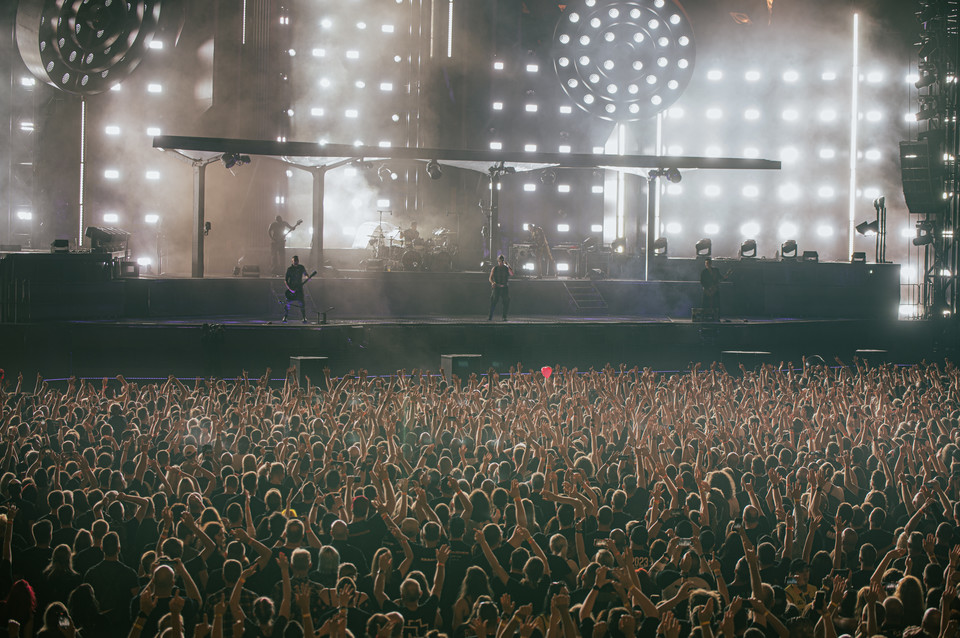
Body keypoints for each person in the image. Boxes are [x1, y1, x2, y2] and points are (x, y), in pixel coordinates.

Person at [283, 255, 308, 323]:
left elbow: (305, 274)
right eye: (294, 261)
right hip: (292, 289)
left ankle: (304, 317)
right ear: (292, 261)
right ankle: (285, 317)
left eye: (296, 261)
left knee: (302, 303)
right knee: (288, 304)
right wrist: (290, 289)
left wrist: (307, 277)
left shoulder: (301, 268)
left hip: (299, 289)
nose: (296, 262)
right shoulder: (290, 269)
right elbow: (286, 280)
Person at [488, 254, 513, 321]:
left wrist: (508, 265)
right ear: (498, 261)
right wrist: (493, 283)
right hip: (497, 287)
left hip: (504, 287)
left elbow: (511, 274)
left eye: (502, 261)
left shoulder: (506, 268)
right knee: (493, 301)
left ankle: (504, 316)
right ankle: (490, 316)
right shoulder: (495, 268)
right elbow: (490, 278)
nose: (501, 262)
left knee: (506, 301)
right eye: (499, 261)